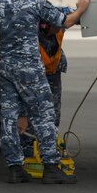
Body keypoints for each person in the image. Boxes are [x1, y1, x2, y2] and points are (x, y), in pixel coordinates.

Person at [0, 0, 90, 184]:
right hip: (30, 69)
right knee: (44, 115)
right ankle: (50, 167)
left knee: (9, 118)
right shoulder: (35, 2)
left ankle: (15, 168)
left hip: (6, 68)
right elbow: (66, 22)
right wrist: (81, 8)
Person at [18, 17, 69, 157]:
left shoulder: (58, 28)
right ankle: (28, 148)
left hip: (53, 73)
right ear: (44, 26)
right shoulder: (30, 35)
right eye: (55, 26)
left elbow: (69, 19)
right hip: (33, 74)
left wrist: (81, 7)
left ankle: (49, 146)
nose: (59, 29)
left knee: (53, 113)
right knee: (31, 111)